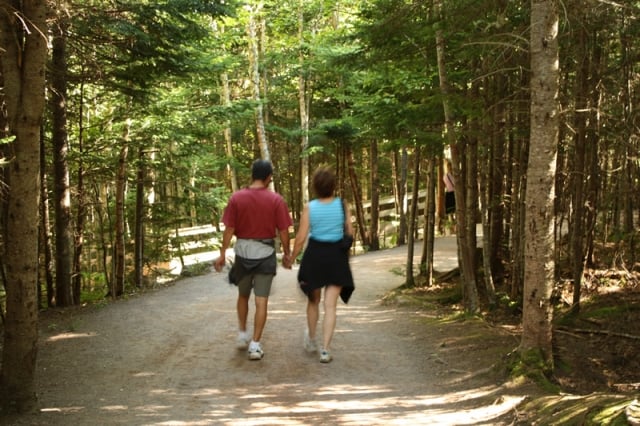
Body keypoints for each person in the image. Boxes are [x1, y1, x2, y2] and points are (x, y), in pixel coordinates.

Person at [214, 159, 293, 361]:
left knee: (242, 295)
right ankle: (255, 346)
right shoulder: (276, 200)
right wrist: (287, 253)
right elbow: (283, 231)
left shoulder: (236, 198)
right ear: (268, 178)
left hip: (242, 252)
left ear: (252, 175)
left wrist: (222, 253)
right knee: (261, 300)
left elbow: (229, 229)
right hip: (265, 254)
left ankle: (242, 333)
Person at [284, 166, 355, 363]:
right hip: (337, 258)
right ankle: (325, 350)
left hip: (315, 257)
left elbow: (300, 238)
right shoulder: (342, 204)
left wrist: (291, 257)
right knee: (330, 305)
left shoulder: (310, 208)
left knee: (313, 301)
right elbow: (350, 230)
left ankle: (312, 339)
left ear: (315, 187)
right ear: (333, 186)